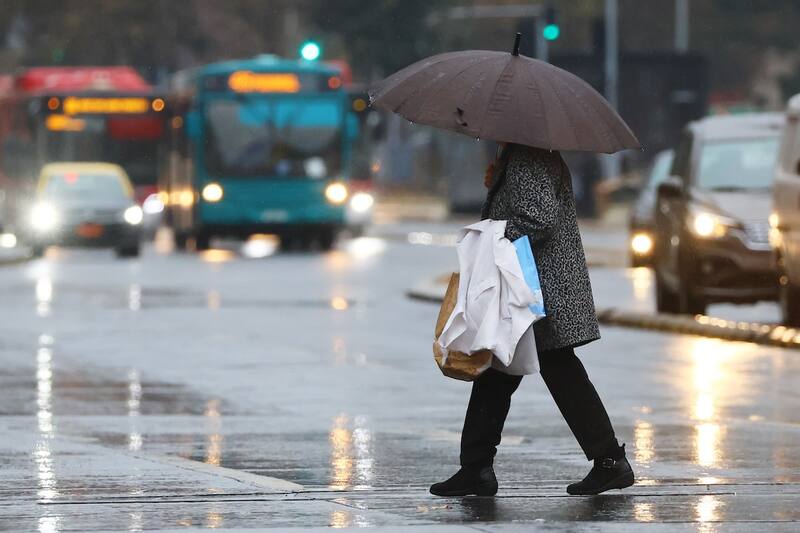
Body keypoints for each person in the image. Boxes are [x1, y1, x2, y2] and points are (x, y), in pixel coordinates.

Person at [430, 143, 634, 497]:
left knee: (554, 368)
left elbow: (536, 216)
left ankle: (609, 461)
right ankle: (477, 466)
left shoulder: (530, 154)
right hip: (530, 283)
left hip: (537, 285)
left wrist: (493, 234)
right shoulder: (521, 153)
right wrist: (498, 187)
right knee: (500, 368)